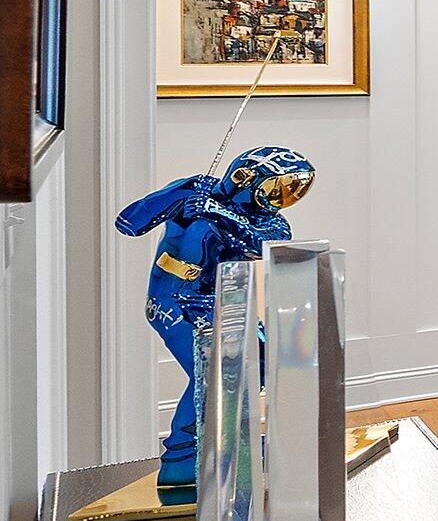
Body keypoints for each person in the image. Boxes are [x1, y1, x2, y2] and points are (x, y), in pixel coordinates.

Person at [114, 145, 315, 499]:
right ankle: (181, 457)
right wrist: (178, 198)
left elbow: (267, 244)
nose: (284, 198)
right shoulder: (197, 190)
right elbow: (128, 222)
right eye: (278, 188)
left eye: (294, 190)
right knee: (212, 374)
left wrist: (220, 214)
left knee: (261, 364)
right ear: (245, 177)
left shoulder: (269, 220)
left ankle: (229, 443)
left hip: (223, 300)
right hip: (173, 298)